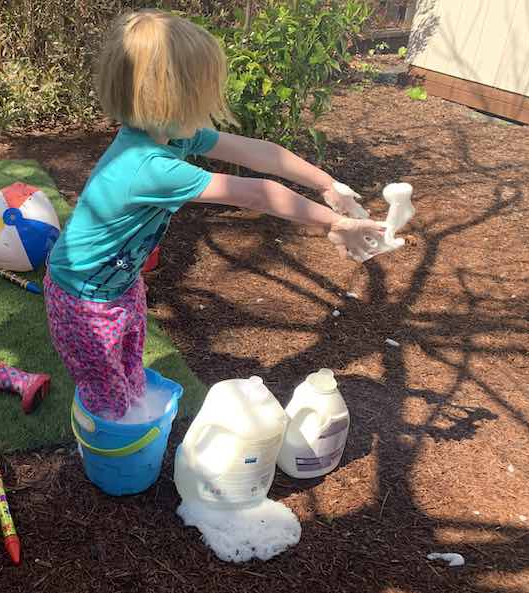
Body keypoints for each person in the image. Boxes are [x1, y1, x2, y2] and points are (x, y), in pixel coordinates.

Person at [45, 10, 385, 420]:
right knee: (107, 393)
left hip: (119, 283)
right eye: (204, 86)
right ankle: (115, 464)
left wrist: (326, 184)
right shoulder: (147, 166)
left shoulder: (171, 132)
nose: (212, 96)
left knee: (130, 367)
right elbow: (257, 193)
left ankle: (129, 417)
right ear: (176, 94)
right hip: (82, 299)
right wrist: (334, 223)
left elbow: (260, 153)